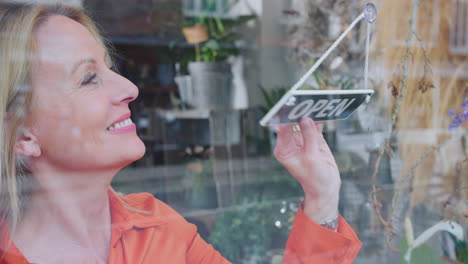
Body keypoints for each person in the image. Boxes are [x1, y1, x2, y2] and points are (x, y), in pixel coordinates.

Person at [0, 3, 361, 264]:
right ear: (23, 137)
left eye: (110, 69)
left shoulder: (158, 226)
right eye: (88, 78)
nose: (129, 88)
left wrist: (322, 196)